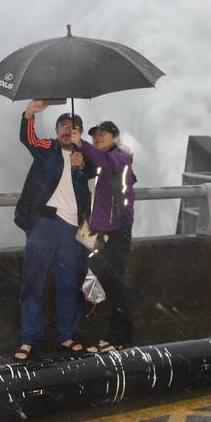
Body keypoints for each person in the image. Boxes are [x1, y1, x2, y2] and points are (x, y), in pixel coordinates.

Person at [13, 100, 94, 361]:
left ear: (80, 133)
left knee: (70, 284)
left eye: (72, 127)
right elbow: (28, 139)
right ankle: (28, 338)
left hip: (73, 229)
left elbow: (101, 171)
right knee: (32, 281)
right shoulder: (47, 149)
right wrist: (29, 114)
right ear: (57, 130)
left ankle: (66, 335)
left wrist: (82, 163)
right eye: (62, 125)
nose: (66, 130)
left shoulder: (85, 159)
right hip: (44, 224)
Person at [71, 121, 135, 352]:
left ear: (115, 137)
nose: (98, 137)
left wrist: (82, 144)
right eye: (95, 135)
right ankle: (105, 332)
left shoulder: (121, 156)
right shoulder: (101, 160)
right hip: (98, 232)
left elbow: (106, 162)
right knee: (96, 278)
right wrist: (78, 163)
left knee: (115, 283)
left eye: (103, 134)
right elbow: (90, 168)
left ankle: (120, 337)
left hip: (117, 231)